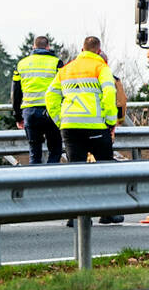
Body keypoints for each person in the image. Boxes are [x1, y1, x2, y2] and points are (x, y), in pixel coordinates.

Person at [45, 35, 123, 223]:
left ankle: (76, 216)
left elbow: (50, 96)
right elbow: (110, 93)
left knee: (76, 170)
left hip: (70, 126)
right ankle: (107, 213)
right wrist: (110, 121)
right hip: (95, 125)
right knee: (106, 169)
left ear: (82, 50)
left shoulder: (66, 69)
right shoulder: (101, 68)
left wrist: (60, 120)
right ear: (98, 50)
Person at [11, 36, 63, 165]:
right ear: (48, 47)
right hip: (51, 111)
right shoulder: (57, 63)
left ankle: (35, 182)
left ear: (33, 47)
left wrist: (18, 116)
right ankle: (52, 180)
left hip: (30, 112)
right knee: (55, 150)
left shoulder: (21, 64)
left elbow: (16, 92)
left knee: (34, 152)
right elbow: (64, 88)